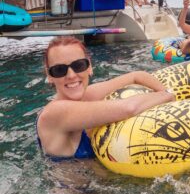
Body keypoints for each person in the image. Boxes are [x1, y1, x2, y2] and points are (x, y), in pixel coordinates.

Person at [36, 37, 174, 158]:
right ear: (49, 75)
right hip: (75, 187)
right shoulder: (55, 112)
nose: (71, 75)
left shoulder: (88, 94)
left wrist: (165, 93)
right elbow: (128, 108)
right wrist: (168, 94)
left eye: (79, 65)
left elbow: (136, 76)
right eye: (59, 70)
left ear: (89, 67)